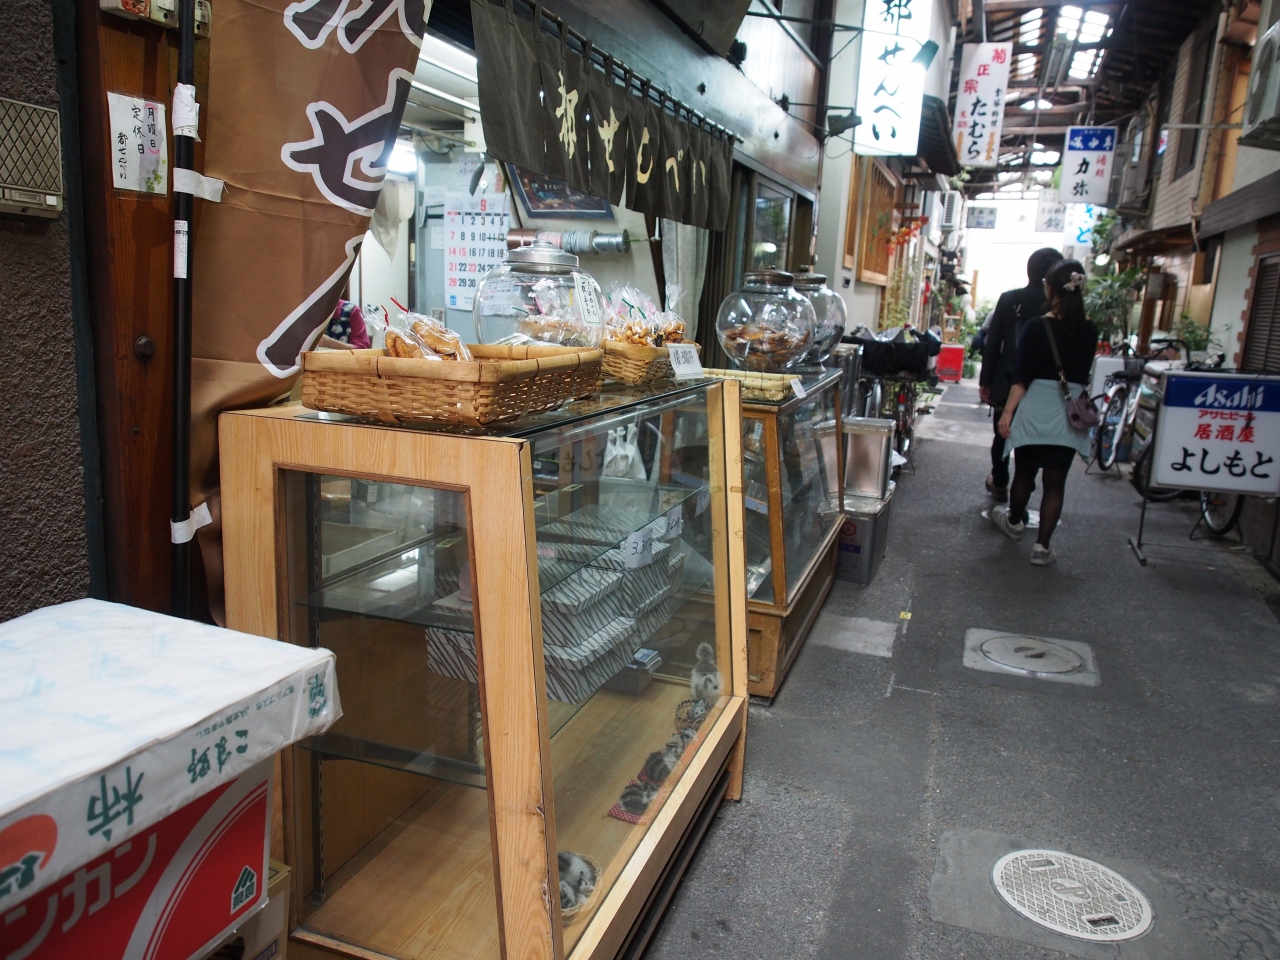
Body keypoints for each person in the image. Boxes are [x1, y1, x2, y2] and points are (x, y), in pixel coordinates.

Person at [988, 259, 1099, 565]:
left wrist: (1007, 413)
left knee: (1024, 472)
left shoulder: (1037, 326)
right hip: (1068, 413)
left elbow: (1021, 377)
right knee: (1055, 482)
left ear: (1050, 289)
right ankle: (1042, 547)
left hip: (1036, 406)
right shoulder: (1089, 329)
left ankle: (1014, 523)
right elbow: (1082, 372)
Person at [979, 247, 1063, 502]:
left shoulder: (1010, 299)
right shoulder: (1060, 305)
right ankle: (1024, 484)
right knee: (1033, 439)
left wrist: (986, 381)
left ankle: (1000, 480)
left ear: (1029, 270)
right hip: (1044, 385)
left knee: (1001, 433)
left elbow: (994, 343)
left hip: (1008, 378)